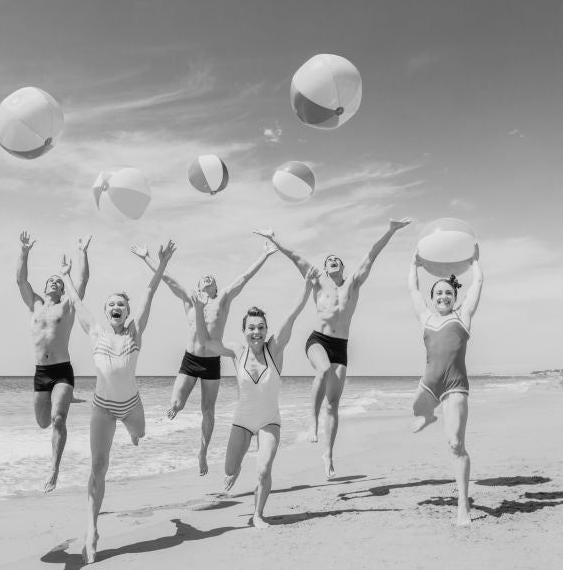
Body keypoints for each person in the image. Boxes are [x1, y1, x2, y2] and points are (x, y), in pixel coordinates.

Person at [253, 219, 411, 478]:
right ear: (325, 269)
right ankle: (312, 421)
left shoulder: (354, 284)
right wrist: (273, 238)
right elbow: (295, 257)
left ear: (343, 267)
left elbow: (371, 254)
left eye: (336, 259)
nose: (332, 261)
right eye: (328, 260)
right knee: (323, 370)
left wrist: (390, 230)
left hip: (341, 346)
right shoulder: (318, 283)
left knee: (334, 404)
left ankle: (328, 455)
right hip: (318, 341)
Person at [60, 240, 176, 563]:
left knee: (139, 433)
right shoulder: (95, 332)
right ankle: (91, 529)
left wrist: (159, 262)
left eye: (120, 305)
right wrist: (67, 275)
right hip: (102, 407)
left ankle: (132, 432)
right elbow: (76, 303)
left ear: (126, 312)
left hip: (132, 406)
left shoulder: (134, 332)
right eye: (111, 304)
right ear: (106, 310)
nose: (116, 307)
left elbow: (149, 293)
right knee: (98, 467)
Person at [130, 239, 277, 476]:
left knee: (208, 410)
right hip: (190, 360)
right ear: (198, 286)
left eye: (212, 278)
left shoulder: (224, 299)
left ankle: (203, 452)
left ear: (216, 287)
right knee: (176, 405)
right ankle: (149, 424)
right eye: (204, 278)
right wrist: (147, 256)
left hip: (211, 362)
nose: (208, 278)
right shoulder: (190, 298)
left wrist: (264, 255)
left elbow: (244, 277)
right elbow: (166, 277)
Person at [198, 271, 316, 528]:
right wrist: (200, 309)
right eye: (251, 328)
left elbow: (292, 315)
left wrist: (306, 287)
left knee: (263, 470)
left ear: (266, 330)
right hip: (241, 422)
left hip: (268, 421)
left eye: (261, 327)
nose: (257, 332)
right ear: (244, 330)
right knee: (229, 470)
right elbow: (205, 342)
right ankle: (237, 467)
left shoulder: (274, 349)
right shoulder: (236, 350)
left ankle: (258, 515)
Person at [407, 249, 483, 526]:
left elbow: (478, 284)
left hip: (455, 386)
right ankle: (427, 415)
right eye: (438, 293)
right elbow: (412, 289)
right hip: (430, 383)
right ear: (433, 297)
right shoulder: (425, 318)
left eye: (448, 294)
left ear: (454, 297)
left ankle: (463, 505)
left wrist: (475, 262)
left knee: (455, 444)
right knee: (416, 407)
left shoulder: (463, 317)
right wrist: (414, 264)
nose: (443, 297)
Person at [16, 231, 91, 492]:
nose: (54, 283)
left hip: (61, 371)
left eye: (58, 282)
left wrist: (82, 253)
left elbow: (82, 281)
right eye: (51, 281)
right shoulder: (34, 304)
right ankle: (66, 397)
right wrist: (24, 253)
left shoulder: (68, 305)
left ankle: (54, 469)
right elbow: (20, 280)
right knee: (42, 422)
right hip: (41, 373)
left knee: (58, 419)